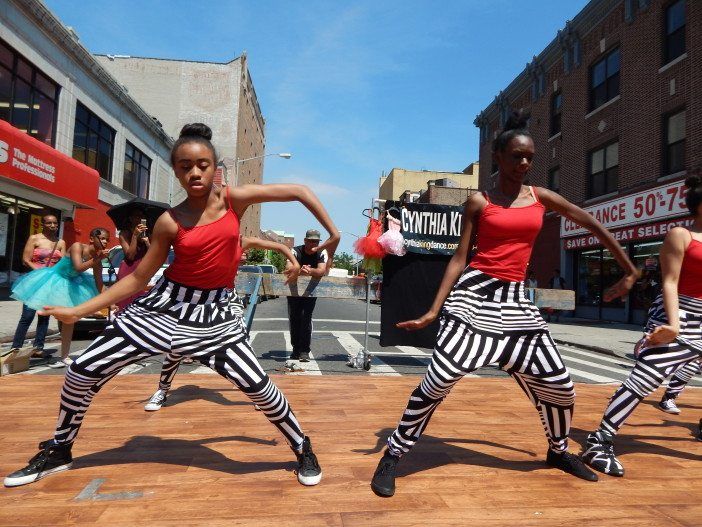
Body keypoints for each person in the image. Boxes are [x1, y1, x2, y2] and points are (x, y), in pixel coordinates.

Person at [3, 123, 338, 489]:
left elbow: (300, 191)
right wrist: (79, 310)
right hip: (164, 308)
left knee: (260, 388)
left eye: (202, 165)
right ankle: (60, 449)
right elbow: (136, 279)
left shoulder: (233, 200)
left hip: (215, 317)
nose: (194, 172)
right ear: (176, 170)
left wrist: (333, 233)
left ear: (215, 168)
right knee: (81, 369)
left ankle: (302, 445)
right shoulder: (168, 221)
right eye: (185, 166)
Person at [369, 112, 639, 497]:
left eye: (529, 157)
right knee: (439, 380)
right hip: (474, 296)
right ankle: (393, 455)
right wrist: (433, 310)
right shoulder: (480, 202)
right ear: (498, 157)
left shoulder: (540, 197)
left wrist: (628, 269)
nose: (524, 164)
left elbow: (591, 223)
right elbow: (461, 258)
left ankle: (558, 451)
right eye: (516, 156)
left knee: (561, 386)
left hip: (516, 300)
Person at [582, 175, 702, 477]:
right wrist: (673, 325)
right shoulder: (681, 235)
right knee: (646, 379)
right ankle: (600, 440)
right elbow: (670, 282)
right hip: (679, 313)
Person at [143, 235, 301, 411]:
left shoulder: (242, 241)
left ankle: (259, 392)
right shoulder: (205, 241)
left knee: (242, 341)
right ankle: (162, 391)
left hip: (226, 298)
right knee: (177, 345)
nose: (246, 253)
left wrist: (293, 262)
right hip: (197, 298)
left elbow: (280, 247)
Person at [11, 228, 110, 368]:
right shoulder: (78, 247)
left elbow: (100, 284)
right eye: (103, 238)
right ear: (92, 239)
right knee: (29, 314)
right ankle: (15, 350)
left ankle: (64, 356)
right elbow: (78, 267)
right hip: (55, 280)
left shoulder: (97, 260)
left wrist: (110, 301)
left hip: (72, 284)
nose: (105, 242)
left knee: (69, 321)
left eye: (108, 239)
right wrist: (97, 259)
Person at [9, 212, 66, 358]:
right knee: (27, 316)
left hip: (51, 284)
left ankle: (38, 347)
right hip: (35, 281)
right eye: (49, 223)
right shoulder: (34, 238)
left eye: (55, 223)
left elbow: (63, 263)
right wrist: (42, 273)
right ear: (43, 224)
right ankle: (16, 347)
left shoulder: (60, 242)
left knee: (44, 316)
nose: (53, 225)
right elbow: (26, 259)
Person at [287, 229, 327, 362]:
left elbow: (322, 270)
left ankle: (304, 350)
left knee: (305, 317)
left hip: (310, 291)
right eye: (310, 241)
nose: (313, 243)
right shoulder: (294, 251)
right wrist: (299, 270)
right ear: (305, 241)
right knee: (294, 317)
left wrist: (310, 271)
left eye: (316, 241)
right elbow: (288, 267)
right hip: (293, 290)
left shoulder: (322, 252)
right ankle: (295, 349)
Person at [116, 208, 151, 310]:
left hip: (142, 268)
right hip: (128, 268)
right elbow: (130, 256)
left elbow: (153, 253)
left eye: (142, 216)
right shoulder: (124, 233)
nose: (140, 218)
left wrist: (147, 242)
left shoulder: (149, 233)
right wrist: (135, 236)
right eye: (137, 216)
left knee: (140, 300)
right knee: (125, 300)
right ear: (131, 218)